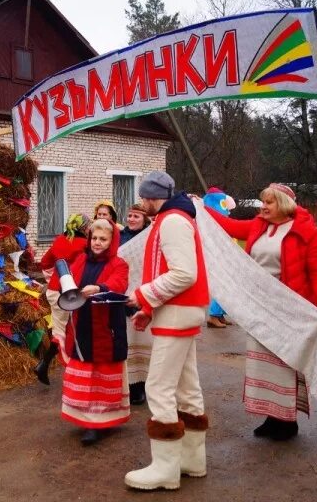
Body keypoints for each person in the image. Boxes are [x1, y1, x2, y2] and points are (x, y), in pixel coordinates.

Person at [206, 183, 317, 441]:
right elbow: (228, 226)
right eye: (262, 201)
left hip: (290, 309)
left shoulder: (304, 231)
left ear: (284, 205)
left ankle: (287, 420)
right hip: (260, 308)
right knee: (262, 363)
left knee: (285, 362)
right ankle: (271, 415)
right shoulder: (258, 225)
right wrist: (200, 208)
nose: (262, 206)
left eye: (268, 202)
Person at [124, 171, 210, 491]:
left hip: (178, 312)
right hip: (181, 310)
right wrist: (149, 309)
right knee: (187, 386)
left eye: (143, 196)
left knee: (158, 387)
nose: (141, 201)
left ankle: (165, 469)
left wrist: (144, 296)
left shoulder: (172, 221)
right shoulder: (174, 218)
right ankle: (191, 460)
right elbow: (171, 272)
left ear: (150, 196)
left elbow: (184, 274)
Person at [48, 219, 130, 445]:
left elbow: (119, 283)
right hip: (82, 324)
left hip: (106, 328)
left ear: (112, 242)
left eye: (103, 239)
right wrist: (65, 285)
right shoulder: (82, 259)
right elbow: (70, 282)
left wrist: (100, 288)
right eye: (94, 238)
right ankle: (87, 419)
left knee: (101, 374)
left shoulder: (119, 263)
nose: (97, 242)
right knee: (85, 371)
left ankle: (98, 423)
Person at [35, 214, 91, 384]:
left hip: (54, 289)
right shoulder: (85, 244)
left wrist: (53, 277)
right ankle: (68, 369)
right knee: (68, 331)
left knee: (60, 329)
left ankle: (44, 365)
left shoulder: (59, 239)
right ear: (84, 228)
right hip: (72, 292)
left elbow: (44, 262)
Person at [118, 203, 152, 405]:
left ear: (144, 219)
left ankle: (144, 386)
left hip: (143, 297)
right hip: (123, 295)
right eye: (129, 215)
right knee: (128, 346)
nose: (131, 219)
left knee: (144, 345)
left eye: (136, 216)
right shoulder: (120, 237)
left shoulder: (149, 237)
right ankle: (130, 386)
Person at [202, 187, 236, 328]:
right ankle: (214, 315)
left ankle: (220, 314)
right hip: (219, 257)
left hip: (225, 256)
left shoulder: (220, 219)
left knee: (228, 286)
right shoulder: (211, 221)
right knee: (223, 286)